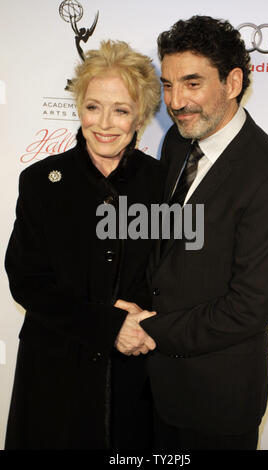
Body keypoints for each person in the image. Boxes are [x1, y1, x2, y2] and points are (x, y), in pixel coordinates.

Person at [116, 16, 268, 450]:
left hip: (215, 402)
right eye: (168, 84)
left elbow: (248, 309)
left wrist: (151, 329)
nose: (176, 101)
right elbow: (167, 251)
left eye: (192, 84)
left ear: (232, 82)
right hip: (154, 387)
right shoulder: (178, 143)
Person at [5, 40, 164, 450]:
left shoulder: (162, 185)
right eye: (93, 106)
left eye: (121, 110)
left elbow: (171, 272)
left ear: (141, 117)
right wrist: (108, 324)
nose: (104, 123)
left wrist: (138, 325)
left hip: (134, 373)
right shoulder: (41, 182)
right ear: (79, 107)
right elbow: (27, 281)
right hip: (55, 372)